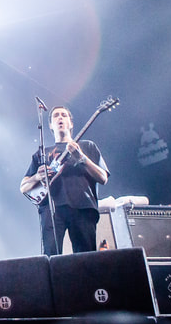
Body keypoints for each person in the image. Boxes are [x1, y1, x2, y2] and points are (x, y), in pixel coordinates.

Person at [19, 105, 109, 255]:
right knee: (51, 256)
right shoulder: (42, 153)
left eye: (64, 115)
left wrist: (82, 158)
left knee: (86, 257)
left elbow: (103, 178)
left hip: (83, 207)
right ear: (50, 125)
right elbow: (23, 187)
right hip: (51, 209)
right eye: (56, 115)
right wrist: (37, 177)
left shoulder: (87, 146)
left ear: (71, 123)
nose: (60, 117)